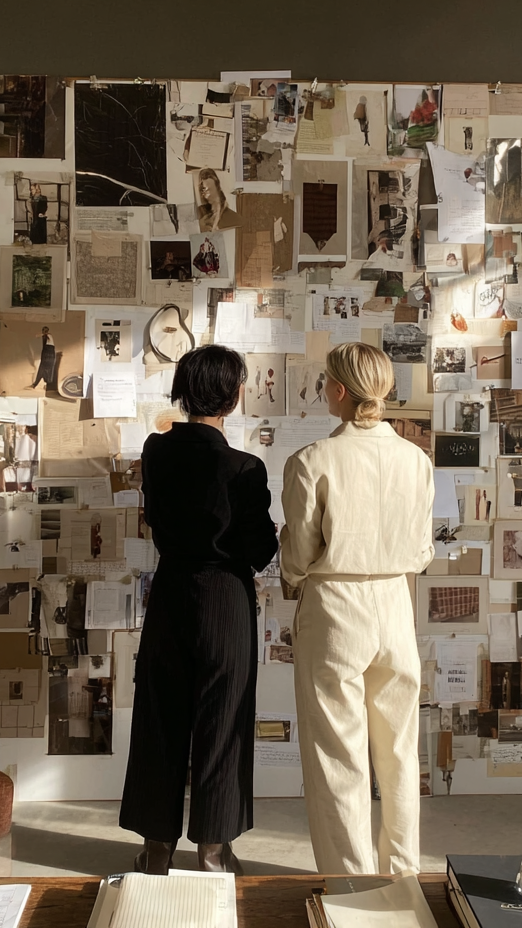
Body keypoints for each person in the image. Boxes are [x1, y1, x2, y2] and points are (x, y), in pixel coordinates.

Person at [120, 345, 278, 876]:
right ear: (232, 398)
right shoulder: (244, 467)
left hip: (169, 595)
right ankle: (212, 850)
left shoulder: (156, 452)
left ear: (183, 392)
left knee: (160, 717)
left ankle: (157, 848)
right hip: (226, 600)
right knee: (223, 721)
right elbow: (259, 549)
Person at [280, 342, 434, 875]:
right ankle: (403, 876)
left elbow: (298, 554)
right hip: (396, 601)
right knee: (398, 751)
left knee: (338, 754)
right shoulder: (416, 459)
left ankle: (352, 885)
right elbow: (421, 549)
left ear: (339, 391)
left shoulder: (311, 461)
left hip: (334, 606)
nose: (324, 389)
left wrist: (297, 578)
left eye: (326, 381)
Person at [197, 168, 241, 232]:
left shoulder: (232, 216)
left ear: (217, 187)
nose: (205, 194)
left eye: (208, 189)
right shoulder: (200, 211)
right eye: (203, 190)